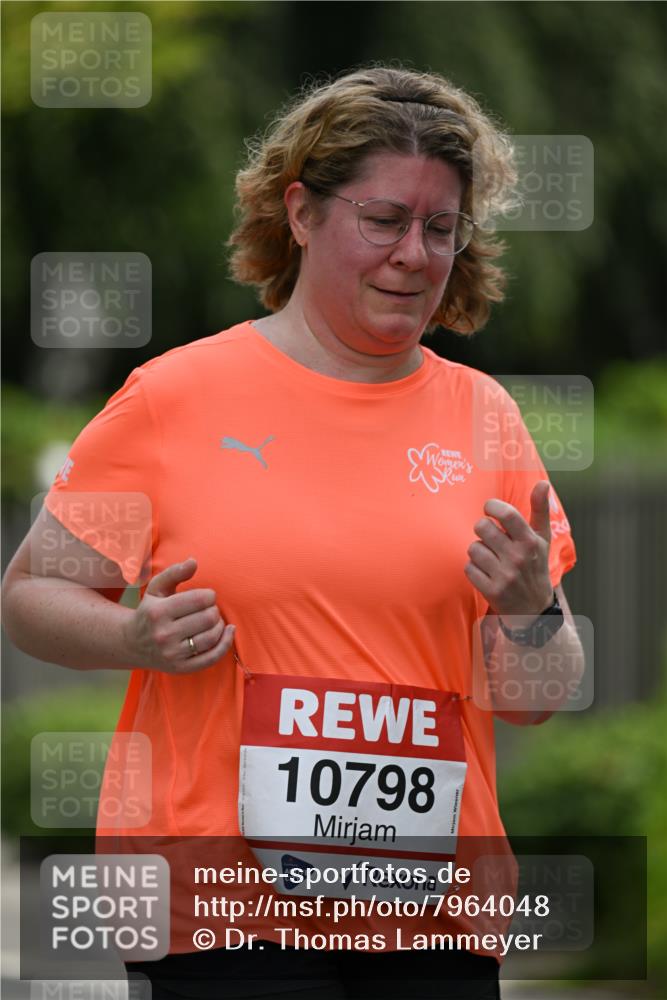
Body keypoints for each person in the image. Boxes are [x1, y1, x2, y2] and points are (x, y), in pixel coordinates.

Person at [2, 65, 584, 999]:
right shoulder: (174, 399)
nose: (415, 255)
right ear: (301, 212)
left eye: (442, 228)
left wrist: (528, 612)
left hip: (429, 915)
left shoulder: (485, 417)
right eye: (385, 220)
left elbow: (537, 696)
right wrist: (130, 635)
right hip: (222, 909)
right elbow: (28, 596)